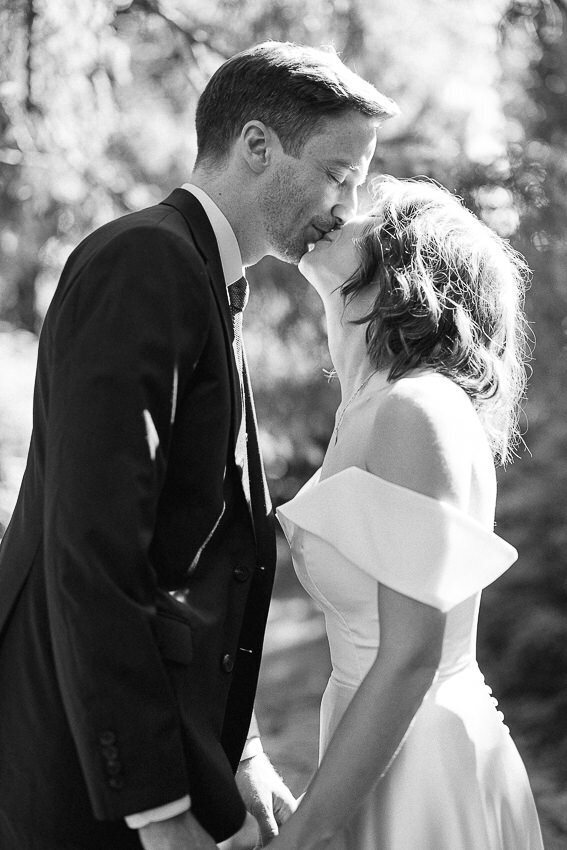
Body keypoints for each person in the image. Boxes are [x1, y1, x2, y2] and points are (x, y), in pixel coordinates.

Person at [0, 43, 398, 850]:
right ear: (256, 144)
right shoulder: (145, 262)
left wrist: (239, 749)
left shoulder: (198, 275)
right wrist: (155, 808)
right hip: (78, 775)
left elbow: (193, 557)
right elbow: (96, 550)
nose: (345, 206)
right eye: (336, 173)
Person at [273, 176, 545, 849]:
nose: (340, 207)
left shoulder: (415, 409)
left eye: (367, 211)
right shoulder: (368, 408)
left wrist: (303, 835)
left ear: (405, 263)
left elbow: (410, 657)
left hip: (423, 763)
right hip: (374, 749)